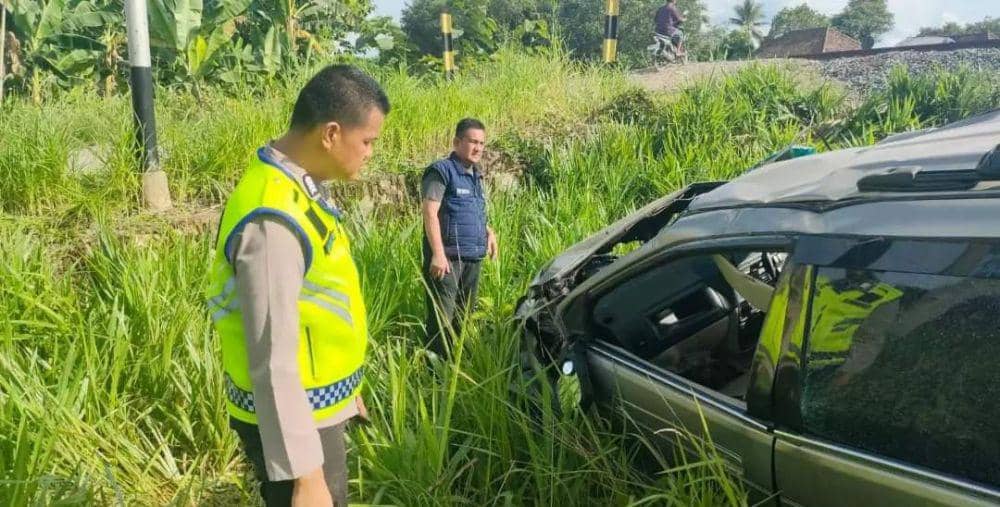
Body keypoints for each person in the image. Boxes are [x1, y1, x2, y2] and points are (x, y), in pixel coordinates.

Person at [205, 65, 389, 507]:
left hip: (315, 409)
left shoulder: (296, 188)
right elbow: (272, 358)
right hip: (293, 427)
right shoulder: (273, 219)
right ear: (330, 133)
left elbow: (315, 309)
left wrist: (346, 394)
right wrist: (305, 476)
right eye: (367, 142)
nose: (369, 154)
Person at [421, 118, 499, 358]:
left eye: (482, 143)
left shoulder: (475, 175)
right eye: (472, 141)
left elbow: (469, 210)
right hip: (448, 260)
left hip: (473, 257)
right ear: (457, 142)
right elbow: (430, 212)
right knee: (442, 319)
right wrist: (438, 254)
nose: (478, 148)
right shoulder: (441, 171)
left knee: (465, 317)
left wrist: (488, 231)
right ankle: (433, 372)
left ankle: (457, 366)